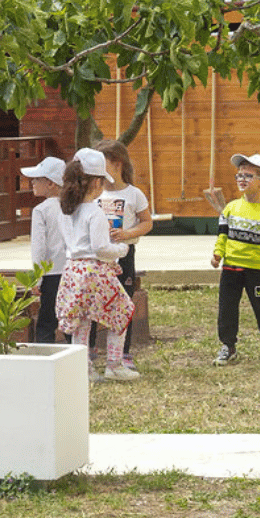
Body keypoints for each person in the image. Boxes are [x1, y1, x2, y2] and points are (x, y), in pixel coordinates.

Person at [54, 148, 136, 382]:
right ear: (96, 182)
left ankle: (84, 369)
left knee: (81, 320)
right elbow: (101, 248)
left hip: (73, 270)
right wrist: (122, 249)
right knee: (122, 311)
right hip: (95, 271)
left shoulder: (65, 209)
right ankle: (115, 364)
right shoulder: (95, 212)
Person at [211, 153, 260, 366]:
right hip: (231, 270)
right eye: (239, 175)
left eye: (248, 175)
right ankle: (228, 346)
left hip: (256, 272)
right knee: (227, 308)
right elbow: (222, 235)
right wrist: (218, 254)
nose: (242, 179)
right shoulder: (230, 208)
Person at [92, 139, 152, 372]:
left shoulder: (133, 194)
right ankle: (90, 348)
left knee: (123, 301)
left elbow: (146, 223)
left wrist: (127, 233)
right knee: (95, 300)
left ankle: (123, 352)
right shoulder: (94, 192)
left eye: (102, 163)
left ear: (117, 164)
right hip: (97, 256)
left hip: (123, 254)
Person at [21, 156, 67, 344]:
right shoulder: (75, 206)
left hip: (50, 273)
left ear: (50, 183)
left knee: (47, 321)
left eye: (37, 179)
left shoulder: (41, 210)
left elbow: (39, 247)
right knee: (71, 320)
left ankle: (45, 355)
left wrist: (37, 277)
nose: (32, 182)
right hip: (72, 271)